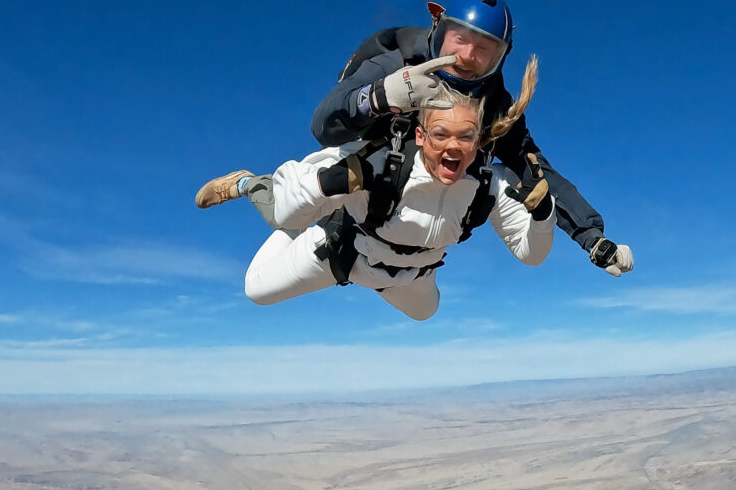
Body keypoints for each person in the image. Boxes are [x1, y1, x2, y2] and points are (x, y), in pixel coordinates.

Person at [310, 0, 633, 277]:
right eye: (459, 39)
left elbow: (533, 170)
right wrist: (380, 96)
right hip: (367, 174)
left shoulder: (493, 105)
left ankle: (411, 259)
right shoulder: (396, 65)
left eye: (485, 49)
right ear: (438, 31)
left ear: (501, 57)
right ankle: (328, 216)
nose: (466, 56)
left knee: (488, 170)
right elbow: (324, 128)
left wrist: (591, 236)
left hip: (422, 210)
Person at [196, 77, 559, 320]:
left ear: (478, 143)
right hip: (343, 254)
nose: (453, 146)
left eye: (465, 136)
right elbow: (288, 205)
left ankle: (320, 212)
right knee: (256, 287)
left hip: (410, 275)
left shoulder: (487, 186)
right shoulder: (378, 163)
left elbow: (531, 255)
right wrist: (329, 183)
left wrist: (544, 216)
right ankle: (246, 184)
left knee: (426, 312)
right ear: (420, 135)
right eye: (440, 134)